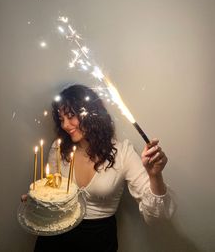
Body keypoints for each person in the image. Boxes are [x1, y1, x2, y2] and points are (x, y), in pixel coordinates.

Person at [34, 84, 176, 252]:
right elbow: (50, 192)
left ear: (90, 113)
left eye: (71, 116)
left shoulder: (122, 152)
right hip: (55, 236)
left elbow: (157, 217)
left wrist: (155, 176)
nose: (64, 125)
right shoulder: (59, 147)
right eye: (61, 118)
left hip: (98, 241)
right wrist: (35, 200)